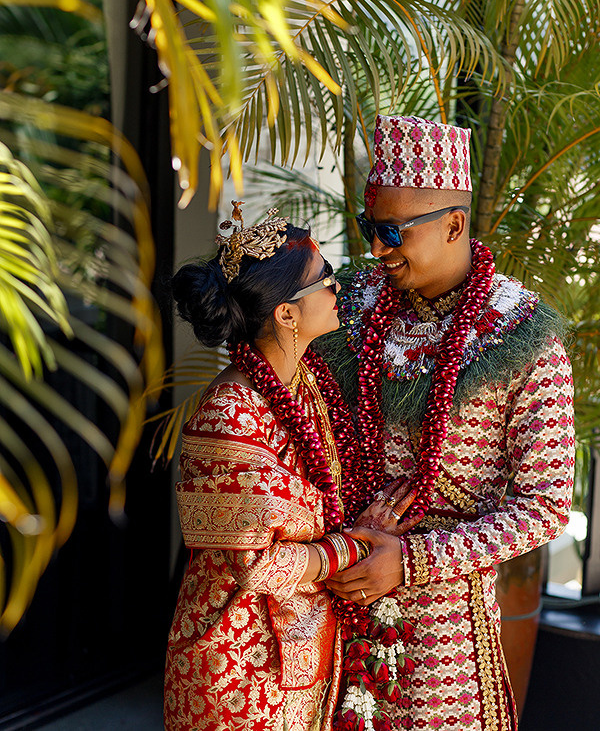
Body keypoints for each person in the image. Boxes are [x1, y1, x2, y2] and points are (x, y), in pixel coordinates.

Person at [319, 115, 575, 731]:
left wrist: (411, 561)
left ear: (454, 225)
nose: (376, 248)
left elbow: (545, 506)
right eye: (369, 227)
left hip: (447, 630)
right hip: (330, 596)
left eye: (391, 231)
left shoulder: (521, 334)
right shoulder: (345, 305)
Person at [163, 205, 406, 731]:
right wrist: (354, 548)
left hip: (307, 650)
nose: (336, 286)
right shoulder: (229, 413)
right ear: (287, 315)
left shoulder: (307, 382)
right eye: (324, 277)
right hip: (241, 669)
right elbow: (257, 566)